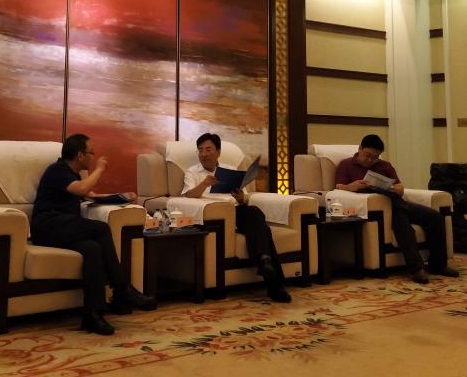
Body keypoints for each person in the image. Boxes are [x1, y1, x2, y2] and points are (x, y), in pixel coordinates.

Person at [31, 133, 154, 335]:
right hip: (47, 226)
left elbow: (90, 195)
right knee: (101, 228)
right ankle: (122, 289)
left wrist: (121, 197)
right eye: (91, 152)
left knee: (92, 249)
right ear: (80, 155)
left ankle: (92, 314)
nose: (92, 156)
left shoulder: (72, 175)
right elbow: (82, 189)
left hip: (65, 228)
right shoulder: (57, 170)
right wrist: (99, 169)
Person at [181, 133, 292, 303]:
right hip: (215, 217)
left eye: (208, 150)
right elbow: (187, 196)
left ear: (218, 152)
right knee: (264, 230)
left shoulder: (230, 170)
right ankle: (273, 279)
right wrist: (204, 184)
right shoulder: (192, 172)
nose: (203, 154)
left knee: (254, 211)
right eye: (200, 150)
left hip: (236, 211)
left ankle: (265, 262)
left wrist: (240, 197)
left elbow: (243, 198)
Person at [335, 134, 459, 284]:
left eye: (375, 157)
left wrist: (393, 188)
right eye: (367, 155)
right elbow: (338, 188)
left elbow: (400, 188)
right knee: (401, 222)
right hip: (376, 209)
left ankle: (438, 264)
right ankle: (416, 269)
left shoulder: (385, 166)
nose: (370, 160)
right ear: (360, 149)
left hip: (397, 203)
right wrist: (351, 186)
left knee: (434, 217)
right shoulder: (346, 165)